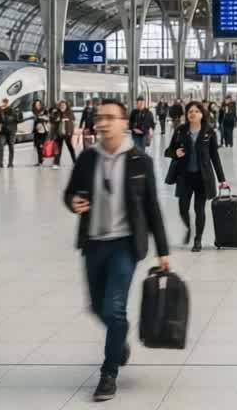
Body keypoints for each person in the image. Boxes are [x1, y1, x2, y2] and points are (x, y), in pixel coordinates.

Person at [63, 99, 170, 403]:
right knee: (97, 306)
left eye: (111, 117)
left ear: (125, 122)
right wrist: (73, 203)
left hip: (125, 243)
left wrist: (163, 250)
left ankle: (108, 372)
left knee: (114, 308)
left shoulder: (140, 161)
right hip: (93, 242)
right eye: (99, 118)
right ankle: (118, 338)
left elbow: (152, 208)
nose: (104, 122)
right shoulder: (86, 159)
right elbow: (70, 193)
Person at [165, 101, 230, 252]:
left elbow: (215, 157)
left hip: (202, 178)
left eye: (196, 111)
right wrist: (175, 153)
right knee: (182, 209)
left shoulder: (209, 132)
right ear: (187, 115)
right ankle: (188, 227)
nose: (192, 114)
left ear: (202, 114)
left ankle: (198, 239)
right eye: (190, 112)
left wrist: (222, 179)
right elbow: (168, 151)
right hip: (184, 177)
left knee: (199, 209)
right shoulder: (180, 131)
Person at [51, 100, 78, 166]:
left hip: (67, 133)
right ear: (59, 106)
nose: (62, 107)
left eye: (64, 105)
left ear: (66, 106)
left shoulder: (69, 112)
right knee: (58, 148)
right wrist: (60, 119)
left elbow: (73, 119)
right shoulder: (56, 112)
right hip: (59, 133)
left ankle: (75, 161)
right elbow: (53, 120)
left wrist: (66, 118)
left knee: (70, 147)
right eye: (61, 106)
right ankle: (56, 163)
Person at [0, 98, 19, 169]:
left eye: (4, 102)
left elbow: (12, 119)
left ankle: (10, 163)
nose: (3, 104)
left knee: (11, 147)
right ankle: (0, 163)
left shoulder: (11, 109)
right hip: (2, 132)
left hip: (11, 131)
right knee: (1, 147)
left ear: (7, 103)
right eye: (2, 102)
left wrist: (3, 114)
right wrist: (0, 112)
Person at [31, 98, 50, 167]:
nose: (37, 105)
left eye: (38, 104)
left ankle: (40, 160)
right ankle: (40, 160)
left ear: (41, 104)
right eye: (36, 104)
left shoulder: (44, 110)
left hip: (43, 130)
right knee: (37, 146)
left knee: (40, 145)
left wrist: (40, 117)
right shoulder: (33, 111)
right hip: (36, 130)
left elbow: (48, 118)